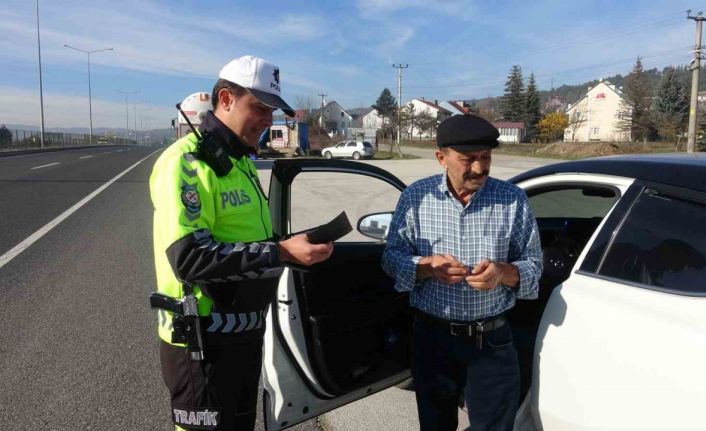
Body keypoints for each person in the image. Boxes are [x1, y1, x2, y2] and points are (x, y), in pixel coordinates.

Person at [150, 55, 333, 430]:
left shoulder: (241, 162)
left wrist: (293, 249)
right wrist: (280, 251)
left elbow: (247, 242)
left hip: (245, 335)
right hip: (202, 343)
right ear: (227, 99)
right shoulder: (187, 162)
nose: (268, 120)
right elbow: (189, 258)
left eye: (273, 111)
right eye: (260, 107)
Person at [382, 114, 542, 431]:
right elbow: (391, 257)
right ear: (442, 158)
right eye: (468, 159)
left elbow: (535, 267)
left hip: (492, 342)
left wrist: (503, 272)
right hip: (433, 340)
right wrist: (425, 268)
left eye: (486, 158)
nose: (480, 169)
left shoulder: (512, 200)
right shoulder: (416, 197)